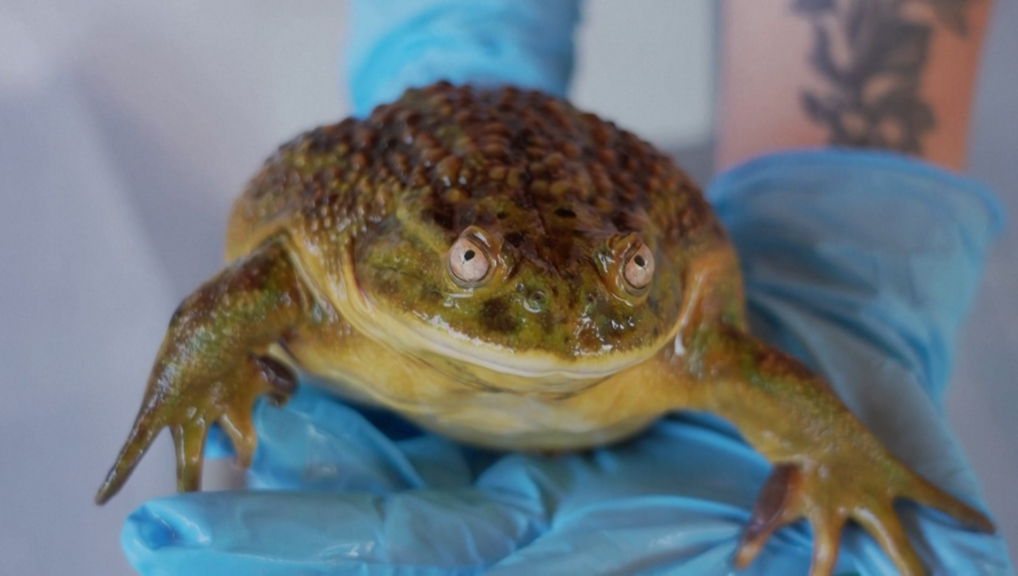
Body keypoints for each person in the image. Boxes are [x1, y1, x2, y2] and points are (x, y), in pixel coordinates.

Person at [119, 0, 1014, 573]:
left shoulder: (679, 340)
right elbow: (243, 287)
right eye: (472, 263)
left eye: (623, 278)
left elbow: (735, 360)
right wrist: (198, 372)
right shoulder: (319, 266)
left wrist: (836, 453)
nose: (568, 324)